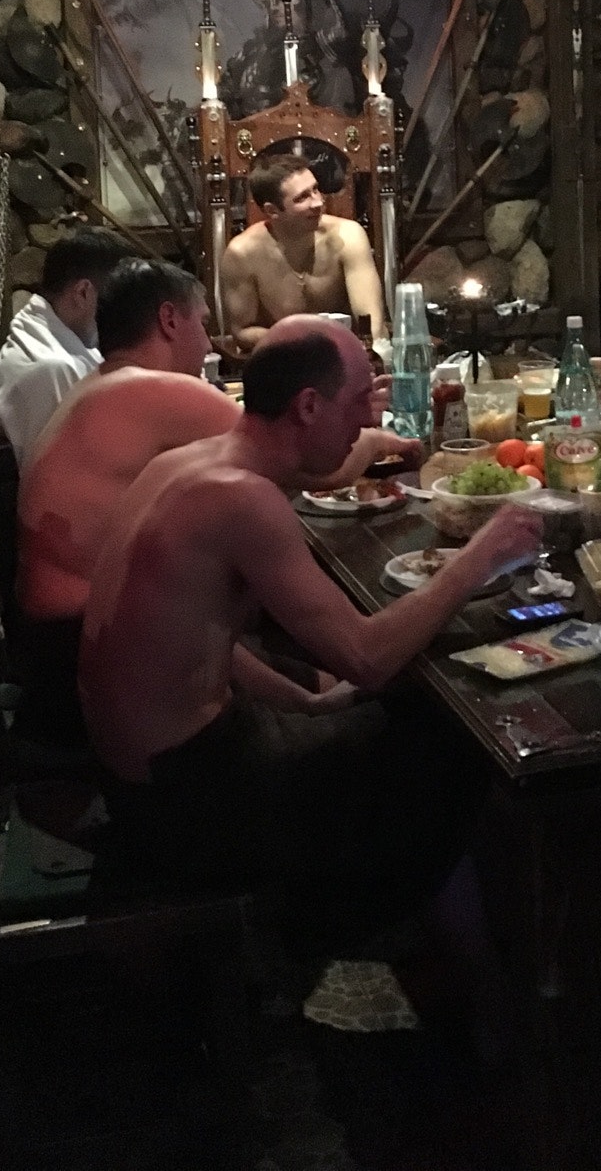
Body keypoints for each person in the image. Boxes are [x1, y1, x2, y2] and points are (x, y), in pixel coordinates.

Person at [80, 318, 539, 940]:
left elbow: (182, 640)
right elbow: (367, 656)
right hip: (185, 808)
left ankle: (440, 929)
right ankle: (392, 942)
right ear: (308, 406)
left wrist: (302, 700)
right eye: (359, 401)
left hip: (135, 778)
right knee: (453, 737)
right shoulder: (241, 497)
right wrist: (482, 554)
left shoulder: (183, 465)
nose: (366, 420)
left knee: (384, 700)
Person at [16, 261, 417, 745]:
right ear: (169, 320)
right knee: (390, 701)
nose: (208, 344)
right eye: (203, 324)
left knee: (313, 669)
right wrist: (381, 440)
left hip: (60, 648)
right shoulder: (156, 391)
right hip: (78, 647)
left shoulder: (98, 386)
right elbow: (301, 457)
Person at [0, 225, 129, 462]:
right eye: (117, 301)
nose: (122, 316)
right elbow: (72, 472)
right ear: (83, 293)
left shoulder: (52, 339)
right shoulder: (49, 368)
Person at [219, 155, 387, 354]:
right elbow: (242, 331)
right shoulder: (242, 254)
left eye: (315, 189)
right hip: (283, 359)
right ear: (272, 210)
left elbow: (371, 324)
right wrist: (303, 345)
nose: (317, 202)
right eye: (302, 198)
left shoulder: (348, 236)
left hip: (346, 354)